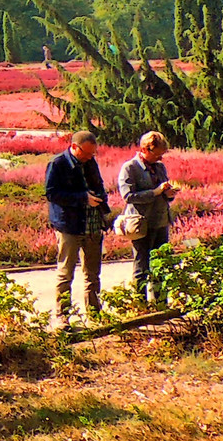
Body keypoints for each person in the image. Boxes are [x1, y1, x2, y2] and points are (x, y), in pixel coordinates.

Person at [45, 130, 110, 325]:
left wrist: (100, 201)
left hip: (91, 224)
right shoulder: (57, 164)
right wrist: (82, 199)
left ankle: (94, 314)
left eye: (93, 153)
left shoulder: (90, 163)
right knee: (66, 273)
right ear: (74, 147)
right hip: (69, 226)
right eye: (87, 153)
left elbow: (99, 185)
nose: (90, 157)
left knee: (92, 274)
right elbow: (51, 193)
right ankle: (62, 316)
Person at [116, 130, 177, 304]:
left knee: (161, 264)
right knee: (141, 265)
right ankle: (140, 304)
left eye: (162, 155)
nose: (160, 159)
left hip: (161, 221)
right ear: (145, 149)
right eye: (157, 154)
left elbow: (164, 194)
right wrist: (156, 192)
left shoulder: (160, 167)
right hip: (141, 224)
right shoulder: (130, 168)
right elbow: (128, 196)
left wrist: (169, 193)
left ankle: (160, 303)